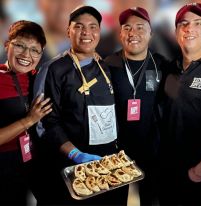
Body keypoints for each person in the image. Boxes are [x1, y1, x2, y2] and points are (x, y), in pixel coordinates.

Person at [34, 5, 128, 206]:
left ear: (99, 32)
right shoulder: (53, 69)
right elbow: (46, 122)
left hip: (109, 162)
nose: (86, 32)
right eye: (79, 26)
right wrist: (75, 153)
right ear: (68, 31)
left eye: (93, 27)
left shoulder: (104, 66)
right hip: (74, 164)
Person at [105, 7, 168, 206]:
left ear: (151, 33)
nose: (133, 33)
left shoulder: (162, 65)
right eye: (127, 27)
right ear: (120, 33)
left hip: (152, 148)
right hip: (117, 150)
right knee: (115, 200)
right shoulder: (108, 64)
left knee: (151, 199)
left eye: (140, 27)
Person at [158, 3, 201, 206]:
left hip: (198, 175)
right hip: (167, 171)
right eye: (184, 23)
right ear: (176, 32)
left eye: (198, 23)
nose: (190, 28)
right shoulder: (170, 67)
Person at [0, 20, 52, 205]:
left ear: (41, 53)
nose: (26, 54)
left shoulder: (39, 77)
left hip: (36, 159)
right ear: (7, 45)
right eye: (20, 45)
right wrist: (28, 120)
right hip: (5, 166)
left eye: (34, 49)